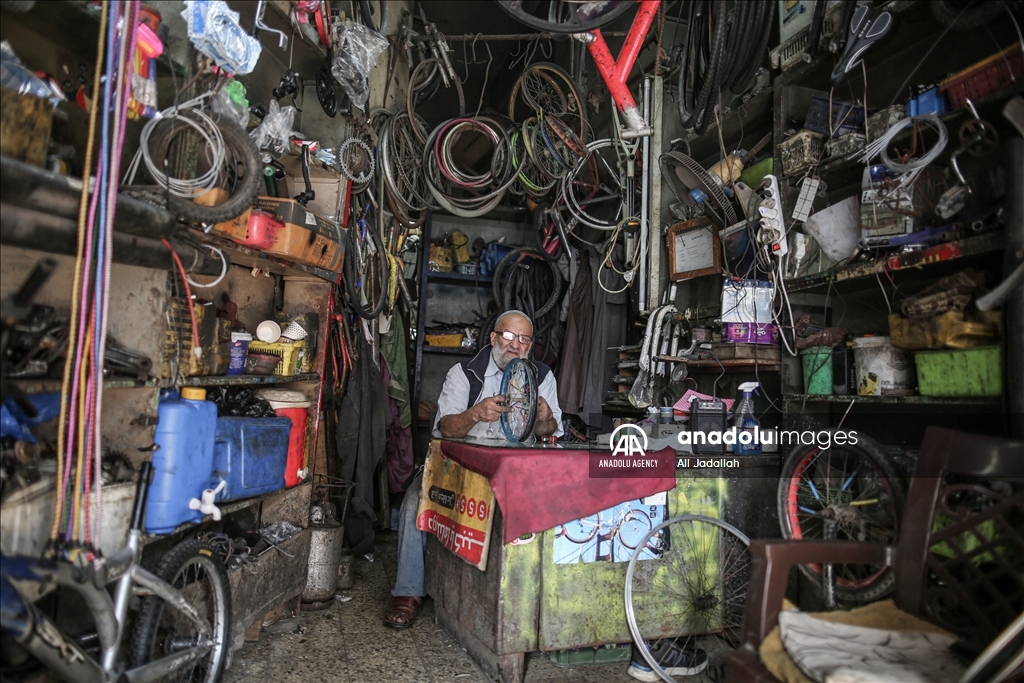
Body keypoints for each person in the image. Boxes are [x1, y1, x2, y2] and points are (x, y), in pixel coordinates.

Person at [383, 310, 562, 628]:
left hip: (513, 471)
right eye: (508, 336)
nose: (514, 345)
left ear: (530, 345)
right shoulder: (465, 372)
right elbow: (446, 428)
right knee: (414, 502)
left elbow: (549, 433)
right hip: (458, 467)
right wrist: (476, 414)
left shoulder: (541, 376)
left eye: (523, 339)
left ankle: (528, 601)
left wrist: (544, 415)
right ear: (494, 338)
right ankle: (407, 592)